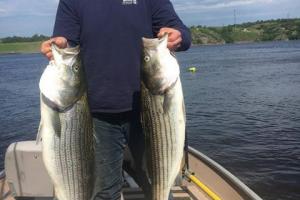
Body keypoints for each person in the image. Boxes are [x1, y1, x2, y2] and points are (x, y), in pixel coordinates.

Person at [41, 0, 191, 199]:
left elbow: (183, 35)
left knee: (158, 184)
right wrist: (60, 45)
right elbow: (67, 43)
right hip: (96, 115)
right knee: (104, 192)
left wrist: (178, 36)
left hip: (148, 111)